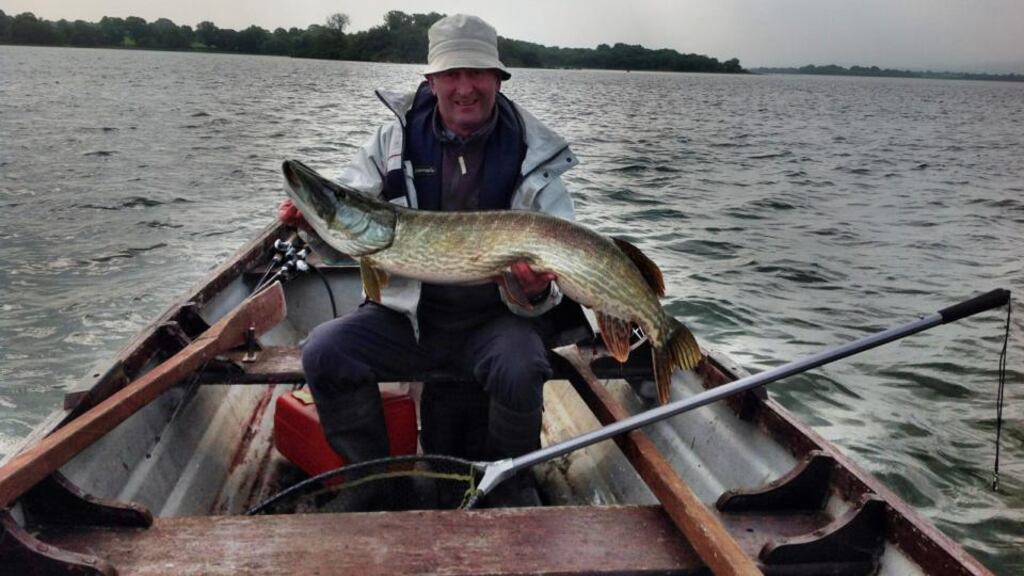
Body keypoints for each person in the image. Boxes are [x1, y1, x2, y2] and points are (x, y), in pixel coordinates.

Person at [279, 14, 579, 507]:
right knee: (325, 350)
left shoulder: (534, 154)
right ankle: (370, 483)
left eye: (477, 73)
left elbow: (558, 280)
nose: (465, 88)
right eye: (451, 74)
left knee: (524, 364)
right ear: (431, 80)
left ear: (498, 79)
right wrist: (312, 221)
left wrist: (534, 291)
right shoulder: (391, 142)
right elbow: (349, 230)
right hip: (409, 320)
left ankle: (511, 481)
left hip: (495, 322)